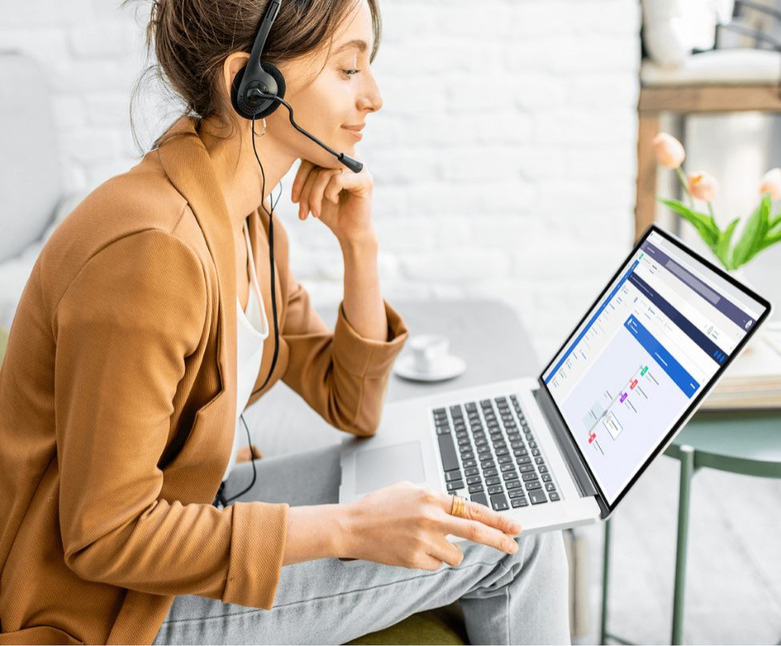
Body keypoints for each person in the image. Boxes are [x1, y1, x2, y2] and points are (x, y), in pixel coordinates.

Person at [0, 0, 571, 644]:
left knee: (502, 512)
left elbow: (351, 403)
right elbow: (105, 536)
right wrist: (351, 528)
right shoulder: (154, 250)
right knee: (508, 544)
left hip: (187, 521)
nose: (374, 96)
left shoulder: (249, 222)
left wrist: (361, 248)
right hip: (105, 609)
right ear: (254, 83)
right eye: (349, 68)